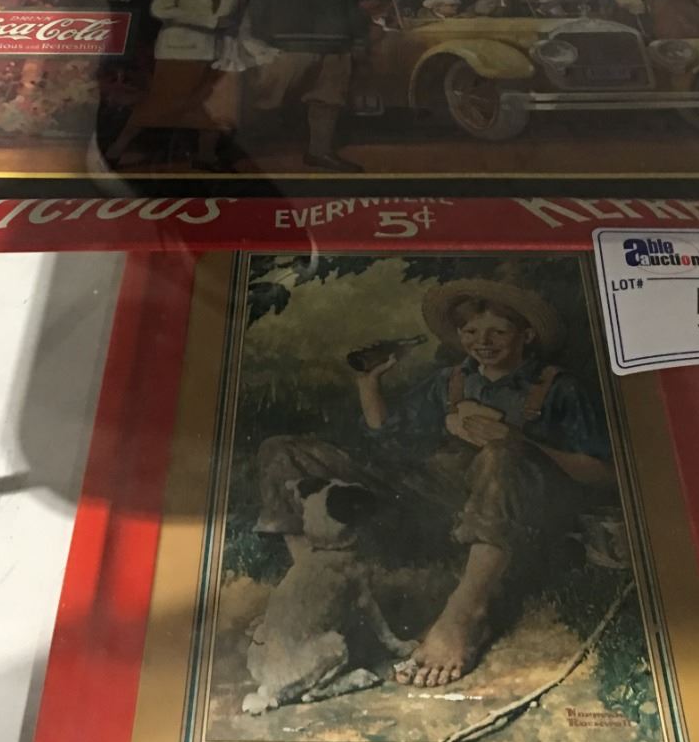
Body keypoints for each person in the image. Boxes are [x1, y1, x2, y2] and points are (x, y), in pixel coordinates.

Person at [255, 278, 613, 689]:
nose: (483, 342)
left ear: (526, 335)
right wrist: (368, 386)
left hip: (514, 514)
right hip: (435, 502)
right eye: (471, 331)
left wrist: (520, 442)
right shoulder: (450, 381)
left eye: (498, 331)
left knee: (501, 455)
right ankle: (310, 595)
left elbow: (604, 473)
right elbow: (389, 441)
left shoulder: (558, 388)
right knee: (282, 450)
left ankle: (465, 613)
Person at [104, 0, 244, 169]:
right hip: (180, 49)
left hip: (218, 51)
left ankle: (206, 156)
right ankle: (116, 150)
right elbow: (160, 9)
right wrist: (206, 21)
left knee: (214, 104)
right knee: (163, 101)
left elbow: (236, 16)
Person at [244, 0, 369, 171]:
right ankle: (245, 151)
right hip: (288, 48)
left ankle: (319, 152)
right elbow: (258, 10)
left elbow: (352, 11)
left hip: (334, 48)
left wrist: (358, 40)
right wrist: (264, 41)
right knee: (265, 96)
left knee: (328, 99)